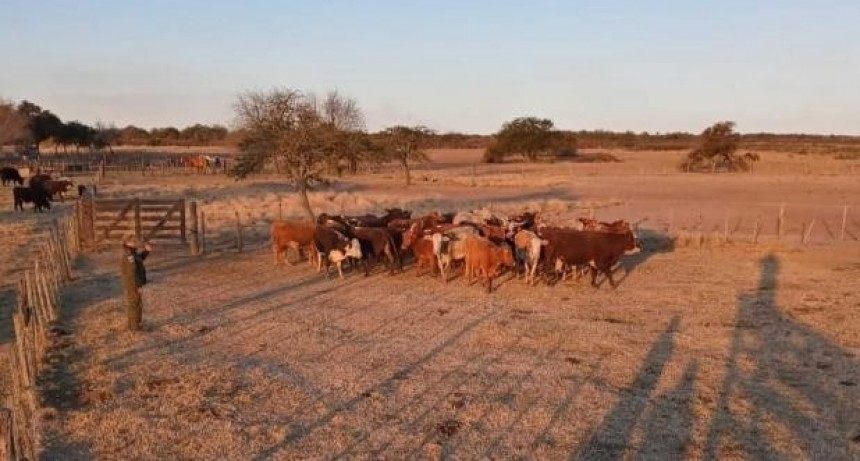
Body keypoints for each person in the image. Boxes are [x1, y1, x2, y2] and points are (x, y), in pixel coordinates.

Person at [119, 235, 152, 330]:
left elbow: (139, 259)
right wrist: (137, 285)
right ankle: (135, 327)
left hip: (132, 283)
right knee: (135, 304)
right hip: (132, 283)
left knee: (134, 303)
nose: (135, 243)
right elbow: (131, 271)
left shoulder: (131, 252)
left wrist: (147, 251)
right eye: (133, 241)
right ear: (127, 242)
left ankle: (133, 324)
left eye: (135, 241)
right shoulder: (129, 254)